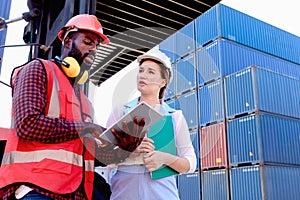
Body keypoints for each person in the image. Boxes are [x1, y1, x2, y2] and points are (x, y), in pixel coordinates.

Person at [0, 14, 146, 200]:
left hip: (75, 193)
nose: (93, 49)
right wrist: (88, 128)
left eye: (97, 46)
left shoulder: (85, 102)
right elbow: (27, 125)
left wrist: (124, 149)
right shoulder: (37, 70)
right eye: (88, 42)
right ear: (68, 41)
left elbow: (89, 155)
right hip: (36, 190)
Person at [106, 49, 197, 200]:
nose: (143, 75)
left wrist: (165, 158)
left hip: (163, 195)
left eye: (150, 72)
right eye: (141, 71)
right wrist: (129, 150)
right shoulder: (120, 112)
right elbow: (103, 155)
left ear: (163, 82)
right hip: (123, 194)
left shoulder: (174, 117)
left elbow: (190, 163)